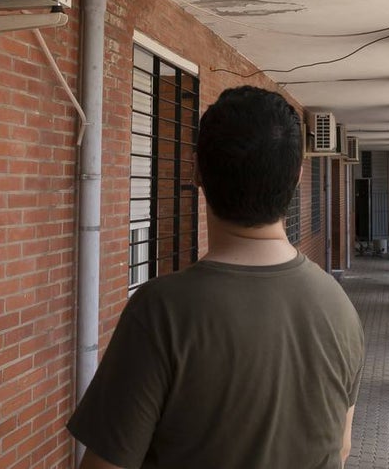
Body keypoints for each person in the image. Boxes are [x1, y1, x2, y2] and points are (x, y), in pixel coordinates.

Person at [68, 86, 365, 469]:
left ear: (196, 170)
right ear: (296, 178)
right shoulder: (338, 306)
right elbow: (340, 447)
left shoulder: (162, 312)